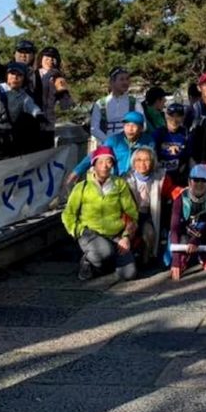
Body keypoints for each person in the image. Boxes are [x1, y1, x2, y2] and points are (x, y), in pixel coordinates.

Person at [61, 146, 138, 282]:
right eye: (100, 162)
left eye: (109, 162)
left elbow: (131, 213)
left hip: (115, 235)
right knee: (104, 251)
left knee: (128, 274)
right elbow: (68, 214)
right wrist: (77, 230)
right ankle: (88, 262)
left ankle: (101, 264)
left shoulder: (120, 184)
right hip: (89, 233)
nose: (105, 166)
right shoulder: (82, 186)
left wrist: (126, 237)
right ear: (93, 165)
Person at [168, 164, 206, 280]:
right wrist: (175, 260)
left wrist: (196, 239)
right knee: (170, 257)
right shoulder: (180, 199)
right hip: (185, 232)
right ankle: (183, 258)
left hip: (204, 231)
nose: (199, 184)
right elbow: (174, 228)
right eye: (195, 180)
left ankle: (204, 255)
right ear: (189, 181)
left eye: (203, 181)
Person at [124, 146, 170, 268]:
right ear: (133, 163)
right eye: (138, 160)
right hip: (129, 216)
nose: (142, 163)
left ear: (153, 162)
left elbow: (172, 190)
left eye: (146, 160)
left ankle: (145, 261)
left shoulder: (160, 177)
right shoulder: (126, 179)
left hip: (147, 215)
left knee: (149, 233)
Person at [90, 67, 145, 144]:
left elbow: (143, 124)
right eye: (122, 79)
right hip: (107, 144)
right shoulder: (100, 104)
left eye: (127, 79)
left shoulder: (134, 102)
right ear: (112, 82)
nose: (125, 82)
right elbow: (94, 129)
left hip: (129, 143)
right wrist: (108, 142)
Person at [35, 46, 73, 149]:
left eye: (53, 59)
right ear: (40, 59)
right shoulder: (32, 75)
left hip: (49, 125)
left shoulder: (58, 78)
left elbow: (66, 104)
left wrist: (63, 91)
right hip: (32, 124)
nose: (50, 61)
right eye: (47, 58)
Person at [154, 102, 190, 186]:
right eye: (171, 116)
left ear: (183, 117)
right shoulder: (158, 133)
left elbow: (190, 155)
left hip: (180, 177)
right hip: (161, 177)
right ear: (166, 116)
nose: (174, 120)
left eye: (178, 116)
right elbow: (152, 153)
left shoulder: (186, 133)